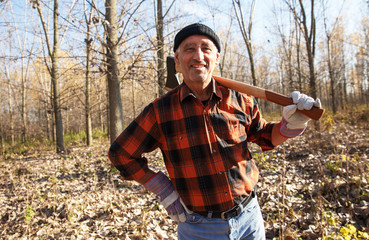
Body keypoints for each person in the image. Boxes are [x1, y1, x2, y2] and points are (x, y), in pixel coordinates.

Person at [108, 23, 321, 240]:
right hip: (198, 228)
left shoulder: (240, 98)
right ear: (178, 60)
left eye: (205, 48)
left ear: (216, 57)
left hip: (249, 219)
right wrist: (164, 190)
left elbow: (266, 136)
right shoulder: (160, 111)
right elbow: (120, 153)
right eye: (189, 48)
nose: (198, 55)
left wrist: (291, 125)